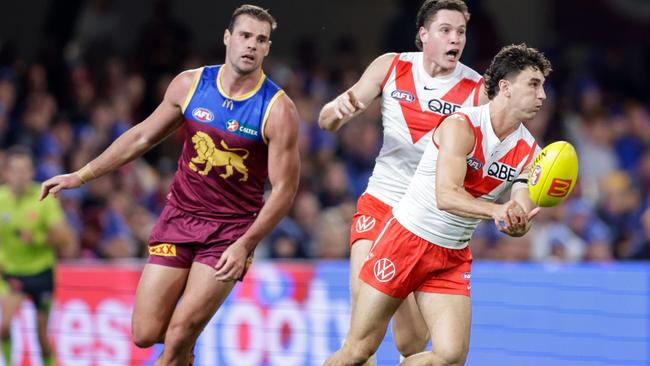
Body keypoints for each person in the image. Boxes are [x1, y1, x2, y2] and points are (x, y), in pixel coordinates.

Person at [40, 4, 300, 365]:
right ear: (227, 38)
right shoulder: (190, 84)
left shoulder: (277, 110)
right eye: (244, 36)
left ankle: (182, 343)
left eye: (260, 39)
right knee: (145, 333)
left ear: (267, 48)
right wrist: (80, 175)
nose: (251, 45)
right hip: (179, 219)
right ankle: (184, 348)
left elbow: (285, 190)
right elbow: (141, 137)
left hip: (229, 233)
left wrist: (246, 244)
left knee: (178, 334)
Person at [324, 43, 552, 366]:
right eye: (534, 84)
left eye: (543, 86)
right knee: (358, 350)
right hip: (404, 241)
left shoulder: (531, 153)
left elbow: (519, 207)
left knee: (450, 356)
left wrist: (517, 221)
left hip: (451, 255)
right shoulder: (461, 126)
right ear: (505, 87)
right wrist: (495, 211)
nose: (543, 95)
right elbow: (446, 195)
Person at [318, 0, 487, 361]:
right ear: (423, 35)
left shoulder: (477, 90)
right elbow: (328, 119)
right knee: (362, 337)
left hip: (425, 224)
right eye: (445, 30)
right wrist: (337, 113)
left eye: (461, 32)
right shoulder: (391, 66)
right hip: (381, 205)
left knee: (411, 343)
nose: (455, 38)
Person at [0, 145, 79, 366]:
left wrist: (36, 238)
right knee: (4, 326)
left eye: (24, 170)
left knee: (42, 338)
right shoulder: (1, 199)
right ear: (6, 173)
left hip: (42, 273)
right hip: (13, 274)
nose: (19, 176)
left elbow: (66, 240)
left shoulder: (44, 196)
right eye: (15, 170)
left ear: (32, 173)